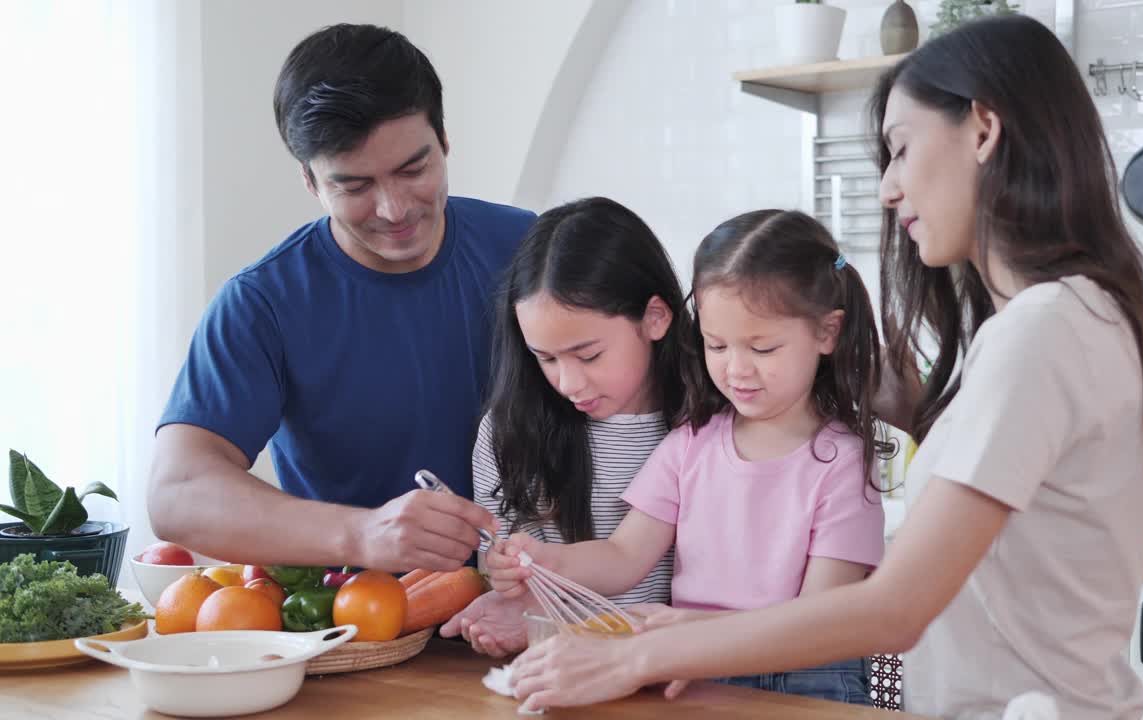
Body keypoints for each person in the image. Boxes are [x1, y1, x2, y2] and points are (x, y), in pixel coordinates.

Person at [503, 15, 1143, 719]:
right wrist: (915, 409)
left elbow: (893, 611)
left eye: (899, 148)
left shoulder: (1044, 328)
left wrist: (636, 653)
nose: (889, 188)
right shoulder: (1063, 318)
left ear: (983, 130)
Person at [147, 24, 535, 572]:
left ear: (445, 142)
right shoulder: (263, 303)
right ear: (310, 181)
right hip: (358, 627)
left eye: (414, 169)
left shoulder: (531, 250)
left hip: (542, 610)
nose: (394, 209)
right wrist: (361, 533)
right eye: (354, 187)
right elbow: (177, 494)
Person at [490, 208, 889, 705]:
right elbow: (623, 556)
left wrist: (694, 630)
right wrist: (548, 561)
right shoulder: (690, 443)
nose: (736, 369)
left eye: (762, 348)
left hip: (808, 678)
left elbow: (821, 619)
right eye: (717, 345)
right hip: (696, 668)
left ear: (827, 334)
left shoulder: (844, 463)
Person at [439, 197, 696, 656]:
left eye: (588, 355)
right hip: (566, 670)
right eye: (546, 358)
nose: (568, 382)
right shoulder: (507, 431)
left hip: (689, 671)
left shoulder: (705, 428)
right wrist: (503, 578)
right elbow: (507, 569)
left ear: (655, 317)